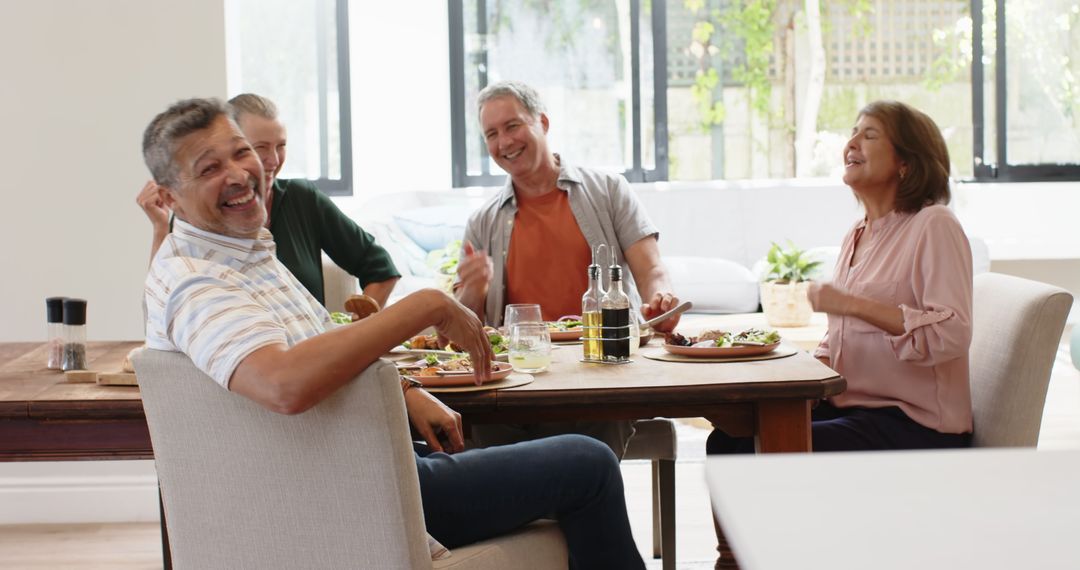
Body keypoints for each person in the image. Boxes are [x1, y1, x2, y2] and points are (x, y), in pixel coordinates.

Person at [140, 97, 645, 569]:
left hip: (366, 466)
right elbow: (281, 384)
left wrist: (404, 391)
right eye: (209, 168)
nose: (242, 173)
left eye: (242, 153)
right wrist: (423, 306)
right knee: (586, 463)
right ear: (169, 198)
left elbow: (316, 346)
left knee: (558, 467)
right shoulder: (196, 278)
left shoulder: (247, 252)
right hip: (350, 491)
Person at [708, 100, 974, 457]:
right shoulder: (858, 234)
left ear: (906, 163)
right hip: (852, 410)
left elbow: (950, 334)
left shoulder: (934, 224)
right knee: (728, 438)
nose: (851, 144)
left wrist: (851, 305)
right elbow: (840, 341)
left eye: (870, 135)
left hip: (914, 425)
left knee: (752, 450)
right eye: (852, 133)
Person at [455, 80, 682, 457]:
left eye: (513, 126)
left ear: (542, 122)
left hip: (602, 368)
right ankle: (530, 510)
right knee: (481, 424)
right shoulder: (483, 221)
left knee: (597, 426)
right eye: (491, 134)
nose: (504, 143)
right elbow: (463, 324)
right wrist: (472, 290)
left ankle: (567, 507)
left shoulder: (609, 190)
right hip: (521, 378)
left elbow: (651, 268)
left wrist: (661, 300)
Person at [136, 93, 399, 309]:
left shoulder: (302, 200)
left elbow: (378, 266)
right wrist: (160, 228)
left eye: (281, 146)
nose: (273, 160)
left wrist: (359, 331)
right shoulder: (196, 224)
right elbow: (161, 306)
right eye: (259, 147)